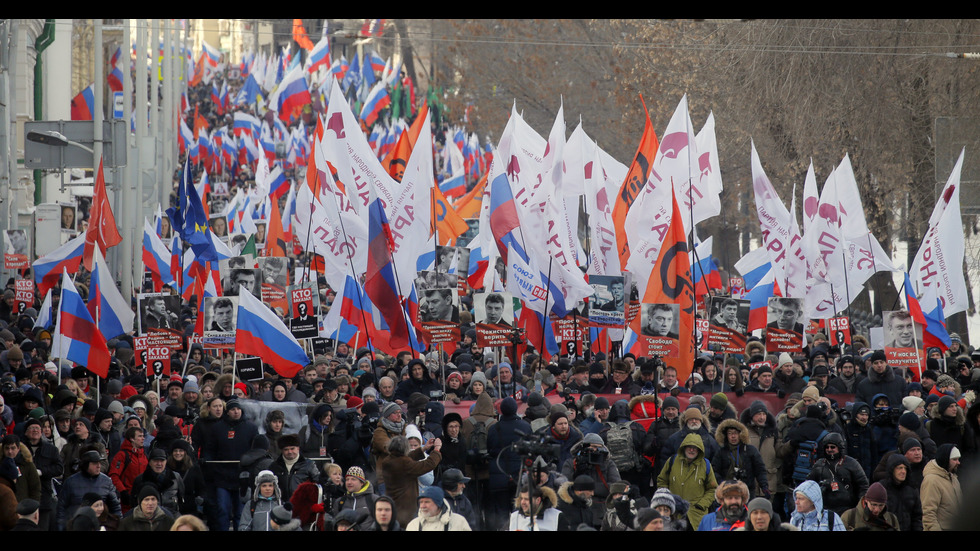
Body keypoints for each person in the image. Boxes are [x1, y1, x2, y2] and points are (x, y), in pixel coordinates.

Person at [657, 433, 718, 529]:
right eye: (689, 447)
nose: (691, 450)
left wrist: (702, 505)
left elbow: (712, 489)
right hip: (674, 514)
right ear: (683, 447)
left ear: (699, 450)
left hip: (696, 516)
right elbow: (662, 480)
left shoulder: (706, 465)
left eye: (695, 447)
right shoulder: (672, 461)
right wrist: (668, 500)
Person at [383, 434, 442, 528]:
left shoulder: (388, 460)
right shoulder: (405, 464)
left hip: (393, 505)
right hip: (405, 509)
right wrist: (437, 449)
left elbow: (406, 457)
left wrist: (424, 448)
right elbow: (428, 464)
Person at [806, 432, 869, 517]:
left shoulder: (851, 463)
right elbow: (809, 485)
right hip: (825, 509)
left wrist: (860, 506)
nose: (829, 449)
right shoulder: (819, 464)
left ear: (839, 448)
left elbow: (863, 485)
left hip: (848, 509)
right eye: (827, 447)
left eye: (832, 447)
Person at [57, 450, 122, 530]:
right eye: (95, 463)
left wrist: (119, 526)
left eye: (99, 463)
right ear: (86, 465)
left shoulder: (106, 481)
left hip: (100, 526)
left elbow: (115, 507)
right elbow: (61, 507)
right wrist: (61, 527)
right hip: (76, 526)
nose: (98, 466)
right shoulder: (71, 482)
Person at [920, 443, 962, 531]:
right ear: (945, 459)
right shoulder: (931, 480)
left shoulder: (953, 477)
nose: (958, 462)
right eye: (954, 459)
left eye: (958, 459)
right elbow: (928, 514)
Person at [268, 434, 319, 502]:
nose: (290, 452)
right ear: (282, 451)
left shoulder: (309, 465)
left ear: (298, 448)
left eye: (292, 448)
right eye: (286, 449)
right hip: (280, 505)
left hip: (302, 505)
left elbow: (318, 483)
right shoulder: (274, 467)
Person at [108, 426, 148, 511]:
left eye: (143, 436)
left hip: (142, 497)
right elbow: (113, 475)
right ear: (132, 439)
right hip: (127, 499)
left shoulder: (144, 455)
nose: (143, 438)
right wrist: (123, 492)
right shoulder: (122, 455)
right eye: (140, 436)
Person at [404, 485, 471, 531]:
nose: (422, 506)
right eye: (421, 502)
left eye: (427, 502)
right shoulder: (413, 525)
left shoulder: (458, 522)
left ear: (438, 503)